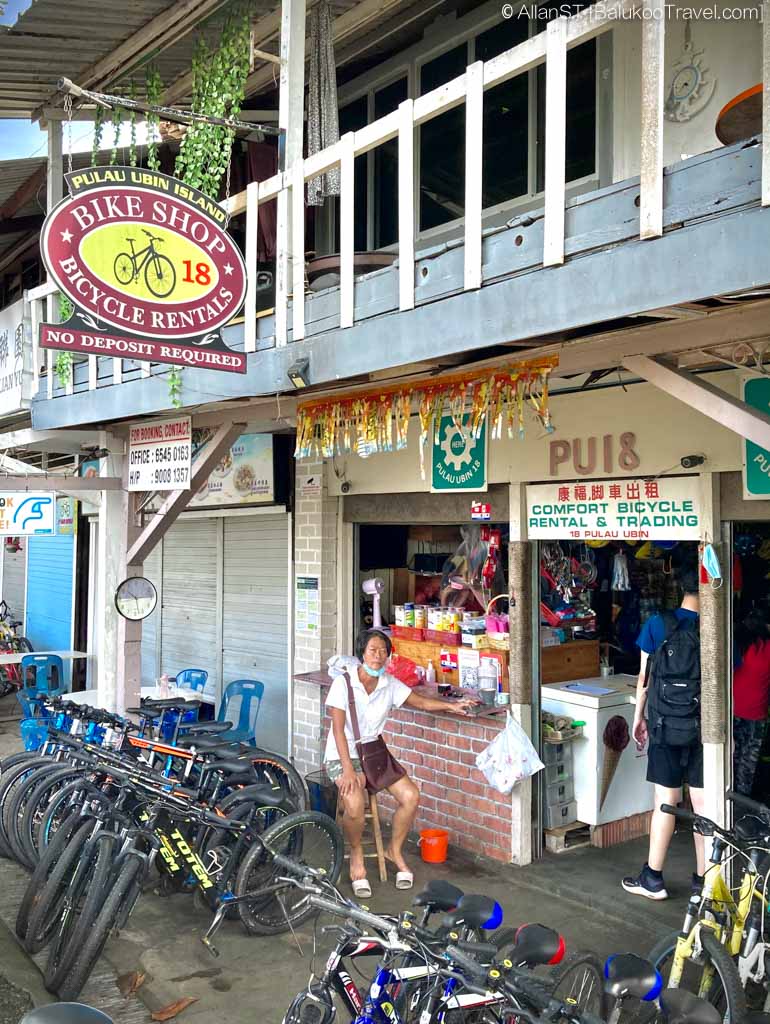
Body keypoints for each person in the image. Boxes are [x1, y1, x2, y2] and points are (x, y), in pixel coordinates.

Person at [325, 628, 477, 897]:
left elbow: (421, 702)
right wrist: (348, 769)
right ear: (361, 654)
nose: (378, 656)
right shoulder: (343, 684)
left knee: (411, 796)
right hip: (342, 754)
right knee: (355, 803)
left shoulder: (389, 684)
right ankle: (356, 852)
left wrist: (452, 706)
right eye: (373, 650)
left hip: (373, 753)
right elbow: (337, 729)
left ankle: (393, 851)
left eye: (383, 651)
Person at [622, 568, 704, 901]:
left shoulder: (657, 623)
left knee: (665, 802)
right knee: (703, 807)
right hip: (703, 730)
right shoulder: (717, 626)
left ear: (680, 587)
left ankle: (653, 879)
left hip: (664, 725)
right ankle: (704, 884)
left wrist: (638, 718)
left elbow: (644, 679)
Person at [733, 609, 770, 796]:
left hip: (731, 713)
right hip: (756, 716)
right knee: (747, 766)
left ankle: (726, 802)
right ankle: (742, 804)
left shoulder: (736, 647)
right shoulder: (768, 649)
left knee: (729, 760)